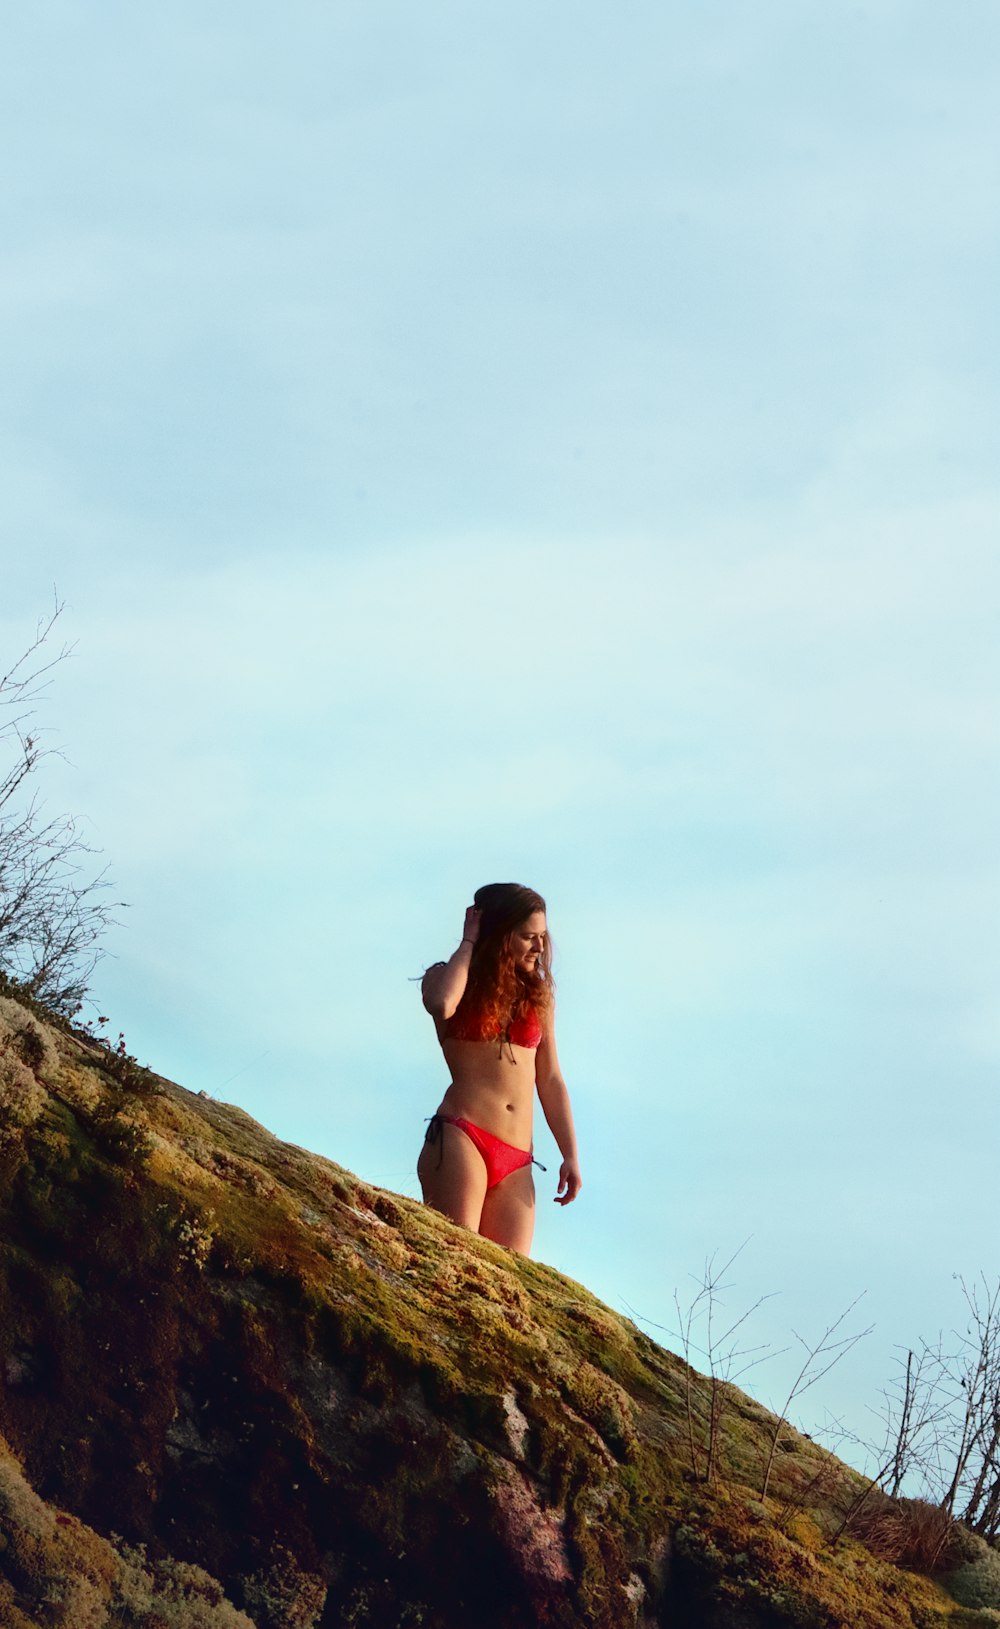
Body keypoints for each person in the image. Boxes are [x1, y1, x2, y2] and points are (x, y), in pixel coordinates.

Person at [417, 882, 582, 1254]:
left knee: (506, 1280)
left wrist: (570, 1154)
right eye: (528, 937)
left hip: (518, 1156)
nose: (539, 947)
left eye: (542, 937)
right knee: (456, 1259)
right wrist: (468, 943)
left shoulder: (537, 996)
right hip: (463, 1135)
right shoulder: (447, 979)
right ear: (499, 934)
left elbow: (551, 1078)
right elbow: (443, 1005)